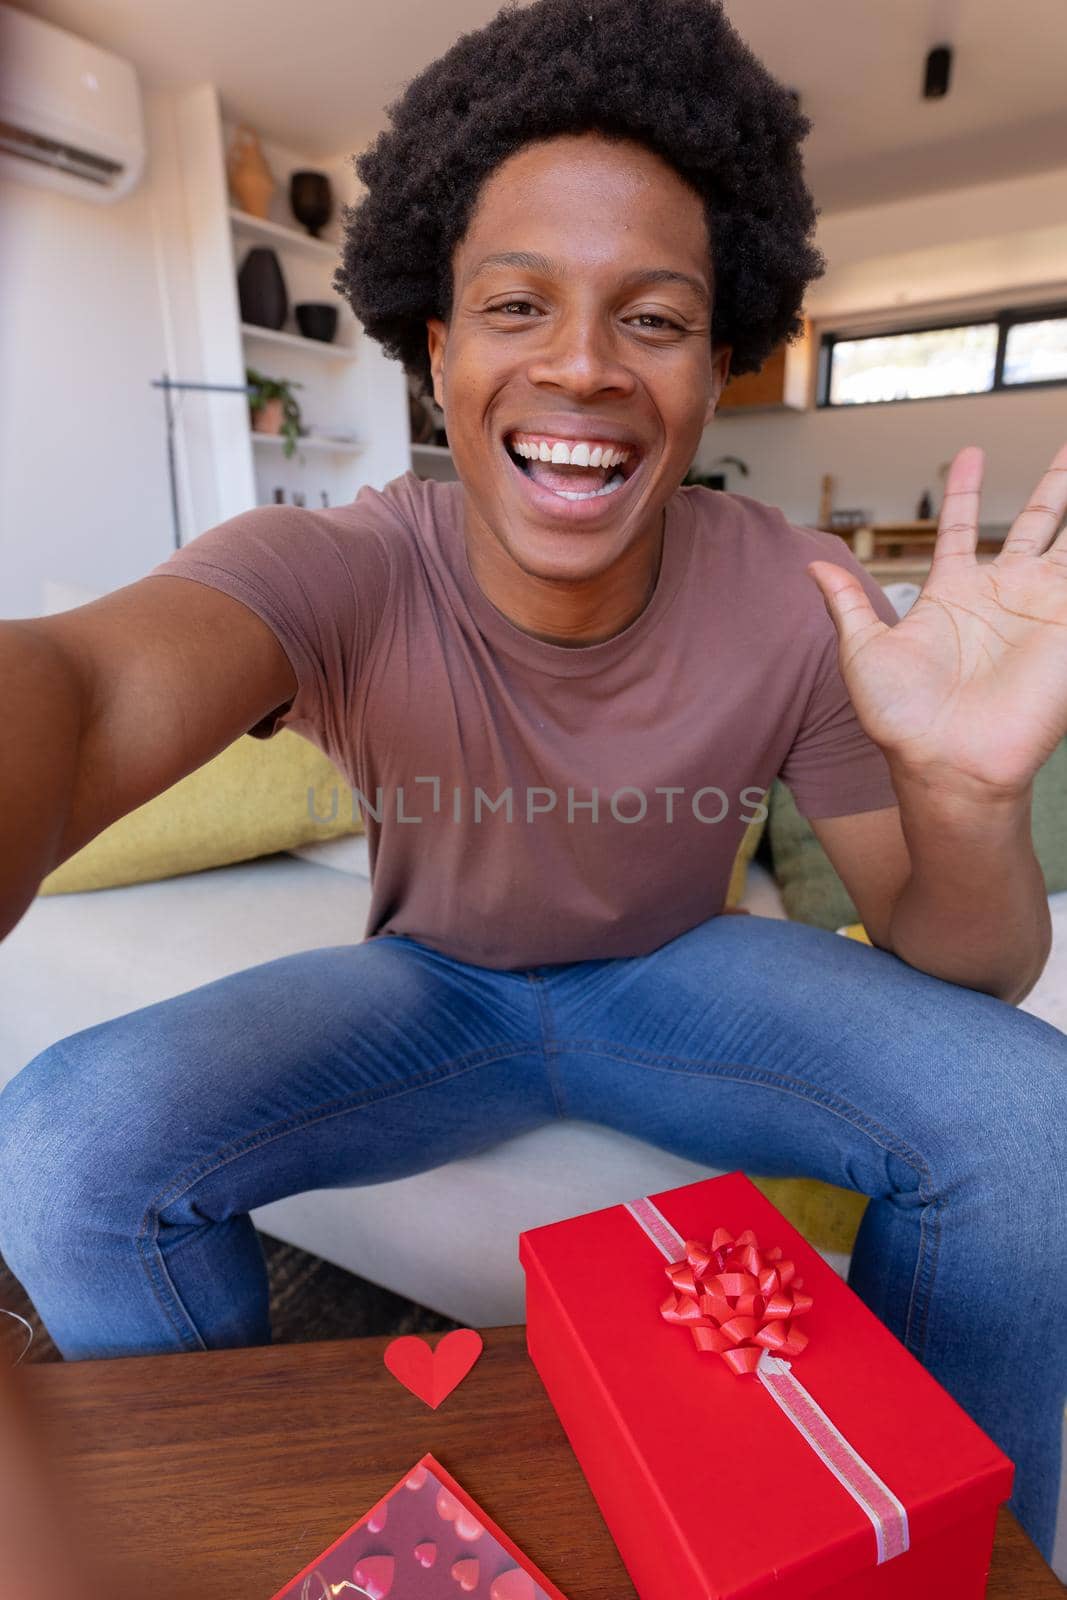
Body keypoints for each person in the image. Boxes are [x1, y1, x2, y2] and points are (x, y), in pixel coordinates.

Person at [0, 0, 1064, 1563]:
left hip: (678, 975)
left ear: (717, 367)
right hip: (433, 990)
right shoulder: (340, 567)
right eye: (516, 305)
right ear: (437, 352)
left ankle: (954, 1567)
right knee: (63, 1145)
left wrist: (966, 800)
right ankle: (249, 1538)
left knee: (1036, 1115)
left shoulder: (801, 589)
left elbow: (960, 962)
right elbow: (86, 691)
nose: (582, 367)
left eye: (652, 318)